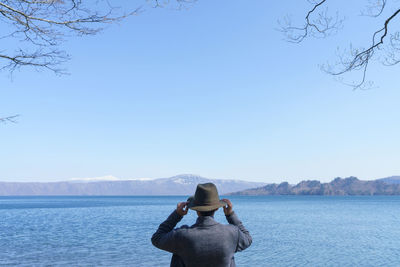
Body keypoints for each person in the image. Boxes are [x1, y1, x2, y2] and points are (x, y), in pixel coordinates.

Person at [151, 183, 252, 267]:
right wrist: (230, 215)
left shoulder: (182, 235)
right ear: (217, 208)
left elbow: (156, 238)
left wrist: (177, 215)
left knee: (179, 252)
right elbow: (248, 238)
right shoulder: (232, 233)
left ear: (196, 209)